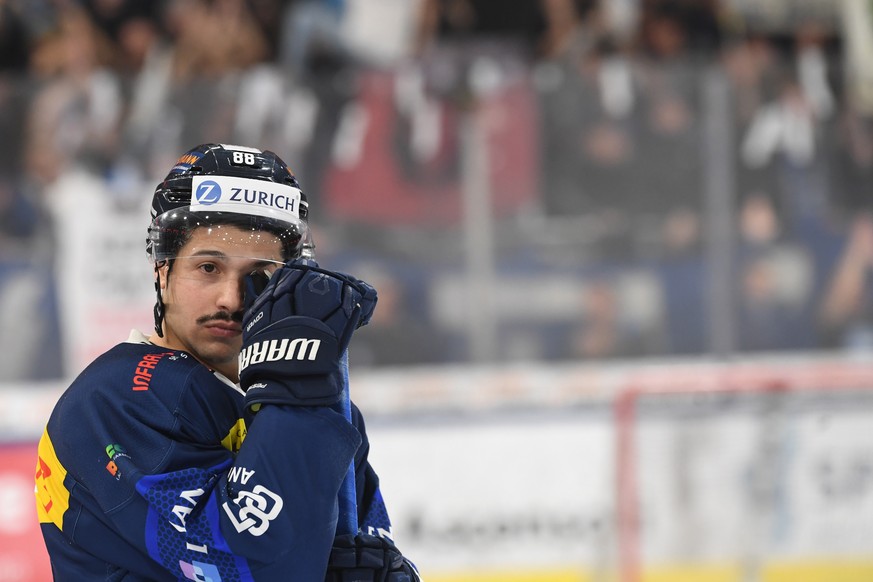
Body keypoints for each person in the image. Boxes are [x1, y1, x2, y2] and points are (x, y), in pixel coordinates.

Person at [34, 143, 421, 581]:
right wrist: (297, 393)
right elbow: (246, 565)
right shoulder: (113, 398)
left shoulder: (319, 401)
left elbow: (367, 546)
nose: (232, 300)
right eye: (208, 268)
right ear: (163, 271)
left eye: (259, 275)